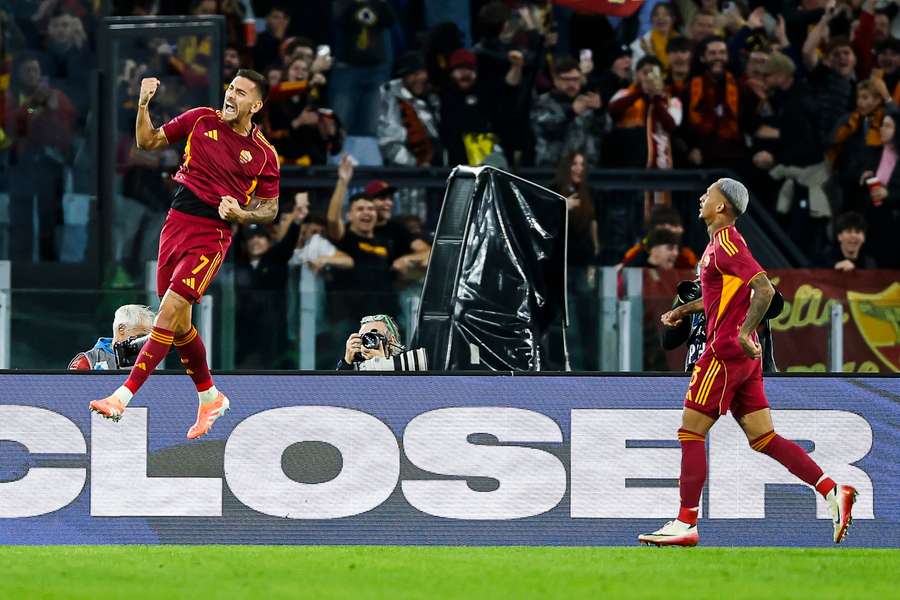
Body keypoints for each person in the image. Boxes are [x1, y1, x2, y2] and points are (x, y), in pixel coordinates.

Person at [639, 178, 857, 547]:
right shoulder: (716, 245)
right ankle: (834, 490)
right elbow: (720, 297)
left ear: (722, 206)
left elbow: (765, 289)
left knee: (691, 432)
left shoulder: (726, 242)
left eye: (708, 194)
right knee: (764, 438)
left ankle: (685, 522)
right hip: (742, 357)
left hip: (724, 352)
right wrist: (684, 309)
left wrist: (742, 333)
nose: (702, 198)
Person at [89, 69, 280, 440]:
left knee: (170, 309)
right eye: (230, 88)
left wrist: (243, 214)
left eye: (240, 93)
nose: (230, 95)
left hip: (211, 235)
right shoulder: (200, 119)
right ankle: (210, 397)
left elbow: (270, 208)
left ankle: (121, 396)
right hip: (175, 222)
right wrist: (144, 104)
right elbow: (147, 141)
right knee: (177, 325)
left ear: (255, 105)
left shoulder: (263, 155)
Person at [531, 55, 603, 166]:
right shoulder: (542, 102)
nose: (571, 84)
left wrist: (599, 112)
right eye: (566, 79)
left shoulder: (587, 101)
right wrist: (572, 112)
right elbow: (546, 128)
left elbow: (604, 130)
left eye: (575, 79)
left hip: (585, 168)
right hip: (551, 166)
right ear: (555, 79)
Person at [69, 305, 154, 370]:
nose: (144, 342)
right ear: (121, 329)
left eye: (146, 338)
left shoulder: (148, 361)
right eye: (140, 336)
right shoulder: (87, 362)